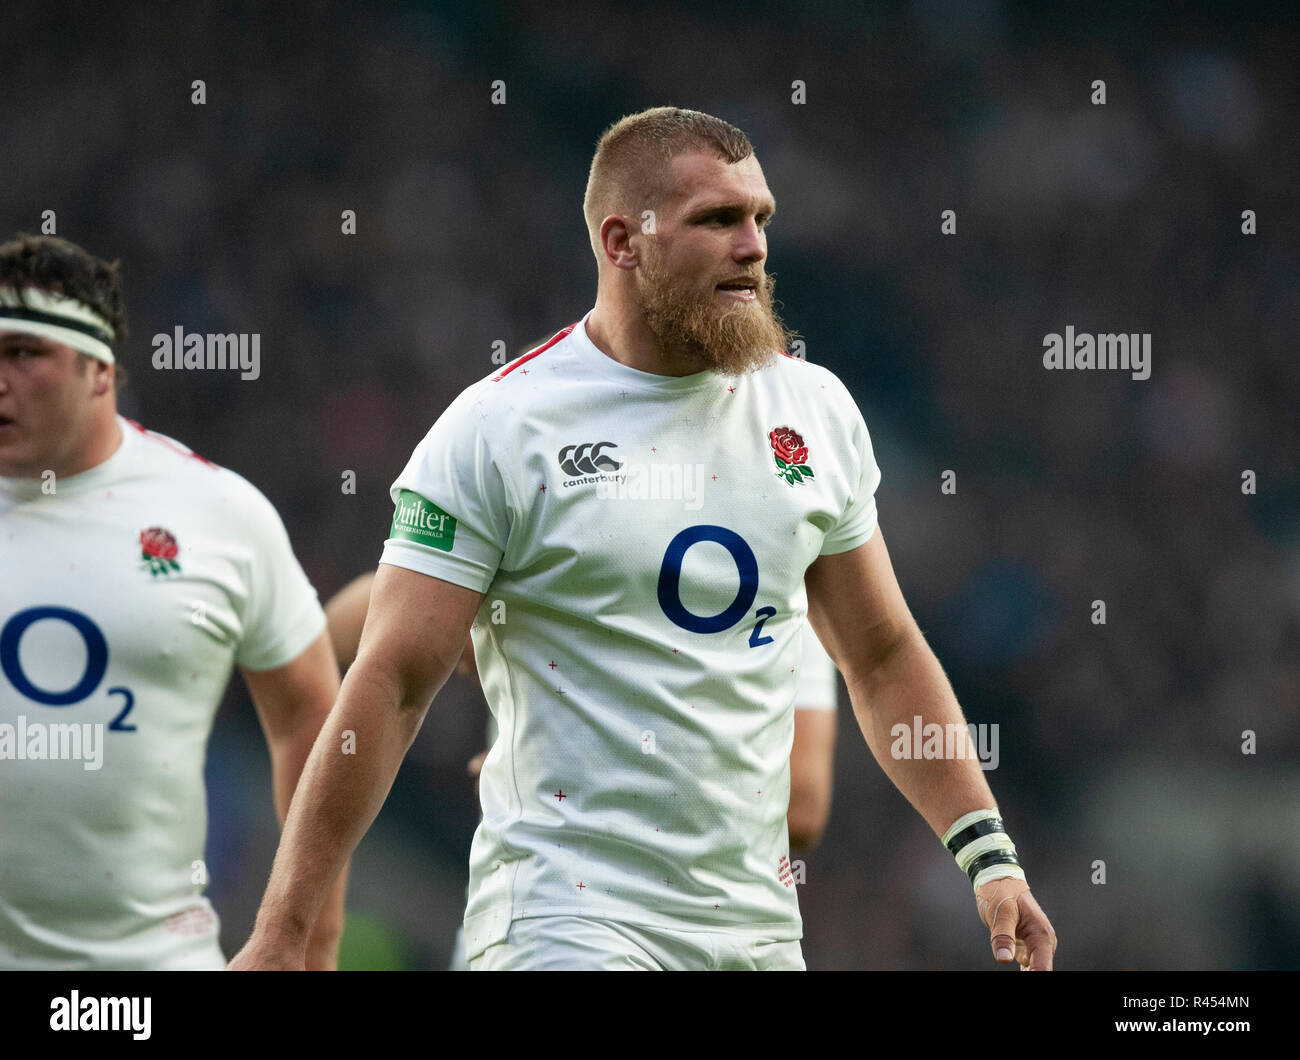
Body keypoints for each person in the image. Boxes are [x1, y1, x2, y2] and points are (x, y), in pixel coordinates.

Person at [232, 106, 1057, 971]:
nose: (754, 247)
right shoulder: (499, 428)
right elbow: (392, 684)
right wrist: (285, 932)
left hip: (756, 931)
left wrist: (989, 858)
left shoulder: (815, 412)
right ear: (623, 241)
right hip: (564, 921)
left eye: (761, 219)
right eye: (717, 220)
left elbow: (882, 655)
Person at [0, 233, 347, 970]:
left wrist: (308, 943)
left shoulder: (216, 513)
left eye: (24, 353)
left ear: (99, 369)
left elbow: (313, 721)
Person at [322, 568, 839, 967]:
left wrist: (580, 770)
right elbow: (341, 629)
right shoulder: (578, 542)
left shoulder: (774, 592)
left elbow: (803, 808)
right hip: (545, 919)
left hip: (711, 932)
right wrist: (455, 608)